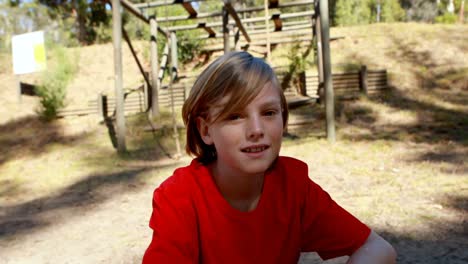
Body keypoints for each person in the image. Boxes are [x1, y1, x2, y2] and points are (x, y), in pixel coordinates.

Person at [143, 51, 396, 264]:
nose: (256, 129)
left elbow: (378, 249)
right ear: (206, 130)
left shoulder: (294, 187)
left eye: (269, 112)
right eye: (235, 116)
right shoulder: (180, 197)